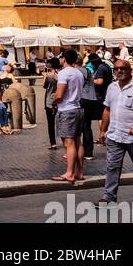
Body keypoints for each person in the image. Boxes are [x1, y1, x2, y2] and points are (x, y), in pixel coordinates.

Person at [98, 57, 133, 205]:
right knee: (112, 166)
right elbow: (107, 109)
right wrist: (102, 131)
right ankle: (109, 197)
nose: (119, 71)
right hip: (114, 134)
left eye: (122, 68)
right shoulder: (112, 87)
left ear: (129, 70)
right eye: (116, 69)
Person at [53, 47, 85, 183]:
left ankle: (69, 173)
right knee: (78, 141)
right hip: (78, 108)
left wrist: (54, 102)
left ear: (64, 59)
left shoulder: (64, 73)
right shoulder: (79, 73)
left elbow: (60, 95)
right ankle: (80, 172)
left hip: (67, 110)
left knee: (69, 143)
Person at [43, 58, 60, 148]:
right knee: (60, 122)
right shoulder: (61, 74)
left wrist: (44, 76)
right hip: (59, 100)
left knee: (51, 123)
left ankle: (53, 143)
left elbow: (44, 86)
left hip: (49, 100)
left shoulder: (49, 76)